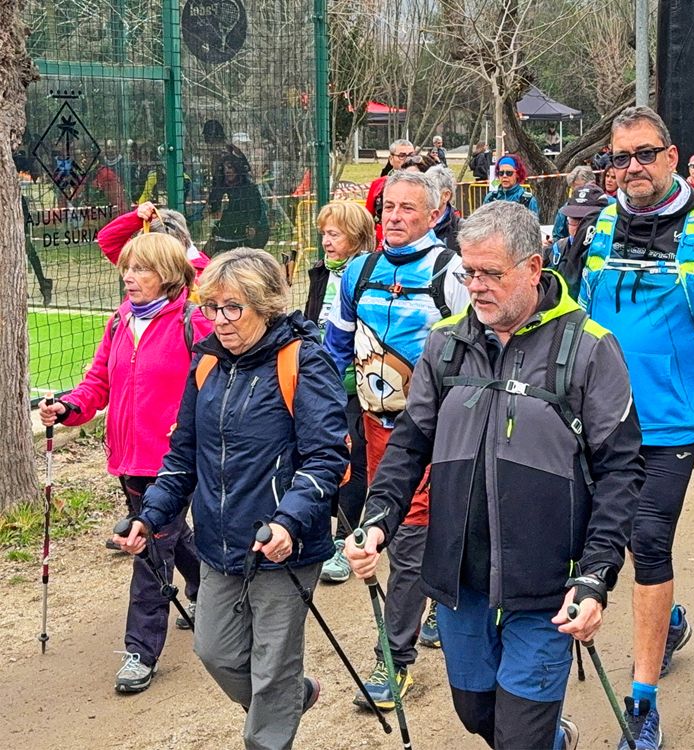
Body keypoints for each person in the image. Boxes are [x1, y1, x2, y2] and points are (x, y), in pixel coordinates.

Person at [344, 200, 644, 750]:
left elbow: (621, 471)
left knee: (518, 738)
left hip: (546, 586)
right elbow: (410, 444)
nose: (475, 286)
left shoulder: (591, 349)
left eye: (490, 273)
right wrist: (379, 518)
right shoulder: (446, 343)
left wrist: (596, 573)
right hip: (461, 579)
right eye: (467, 272)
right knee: (476, 713)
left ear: (533, 268)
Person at [569, 106, 694, 750]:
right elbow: (564, 318)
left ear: (672, 156)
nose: (632, 169)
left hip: (673, 424)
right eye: (621, 158)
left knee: (648, 539)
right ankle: (669, 619)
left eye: (644, 154)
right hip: (600, 422)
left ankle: (643, 702)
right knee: (613, 535)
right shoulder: (595, 226)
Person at [113, 248, 350, 749]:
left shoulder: (304, 360)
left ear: (265, 306)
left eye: (233, 307)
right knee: (214, 651)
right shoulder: (206, 364)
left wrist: (288, 522)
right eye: (212, 307)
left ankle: (272, 720)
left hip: (283, 547)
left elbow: (326, 459)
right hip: (219, 542)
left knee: (271, 667)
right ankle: (289, 695)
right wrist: (150, 516)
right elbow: (182, 455)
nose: (219, 320)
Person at [322, 170, 469, 709]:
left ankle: (395, 659)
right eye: (388, 207)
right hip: (370, 426)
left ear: (434, 215)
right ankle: (439, 599)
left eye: (409, 208)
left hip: (433, 432)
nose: (396, 217)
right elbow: (334, 350)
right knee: (399, 532)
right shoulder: (357, 272)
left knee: (406, 541)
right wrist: (328, 418)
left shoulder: (450, 272)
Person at [40, 233, 208, 693]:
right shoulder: (119, 322)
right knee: (169, 535)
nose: (129, 277)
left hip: (174, 460)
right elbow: (97, 383)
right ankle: (206, 592)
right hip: (128, 457)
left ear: (169, 277)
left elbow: (215, 384)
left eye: (142, 270)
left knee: (149, 546)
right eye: (127, 268)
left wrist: (193, 425)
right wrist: (70, 408)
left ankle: (140, 651)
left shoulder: (193, 324)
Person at [301, 202, 375, 584]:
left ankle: (345, 541)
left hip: (356, 384)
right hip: (318, 381)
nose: (326, 241)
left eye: (335, 234)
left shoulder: (369, 276)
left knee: (353, 461)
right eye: (324, 233)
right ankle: (319, 535)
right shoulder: (319, 273)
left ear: (358, 238)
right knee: (318, 453)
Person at [98, 200, 211, 279]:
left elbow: (107, 240)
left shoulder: (203, 277)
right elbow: (107, 239)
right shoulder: (140, 260)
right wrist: (137, 217)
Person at [207, 154, 269, 255]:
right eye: (224, 169)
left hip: (244, 236)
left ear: (237, 168)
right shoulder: (219, 188)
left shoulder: (249, 188)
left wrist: (252, 226)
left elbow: (255, 210)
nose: (227, 171)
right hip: (223, 235)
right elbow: (213, 212)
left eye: (230, 167)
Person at [546, 183, 609, 269]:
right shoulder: (558, 251)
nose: (579, 228)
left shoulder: (613, 252)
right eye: (573, 220)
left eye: (586, 221)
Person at [552, 165, 599, 241]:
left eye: (581, 189)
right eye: (574, 190)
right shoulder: (565, 210)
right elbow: (557, 238)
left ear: (593, 184)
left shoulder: (610, 206)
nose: (577, 194)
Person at [428, 165, 463, 254]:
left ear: (446, 195)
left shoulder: (461, 230)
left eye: (431, 192)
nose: (425, 197)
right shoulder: (415, 224)